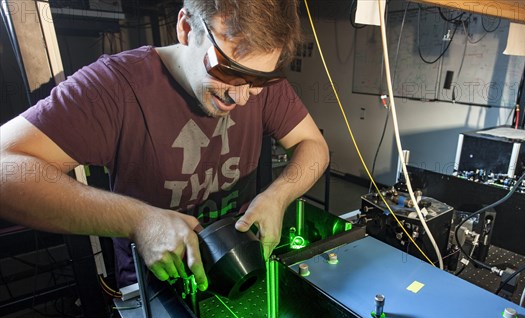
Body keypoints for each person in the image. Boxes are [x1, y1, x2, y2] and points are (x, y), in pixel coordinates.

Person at [0, 0, 329, 292]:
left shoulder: (256, 77)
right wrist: (138, 220)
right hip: (156, 291)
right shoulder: (114, 88)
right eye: (227, 72)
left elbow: (313, 144)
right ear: (186, 28)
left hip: (236, 268)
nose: (241, 96)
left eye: (259, 82)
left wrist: (278, 195)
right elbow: (5, 168)